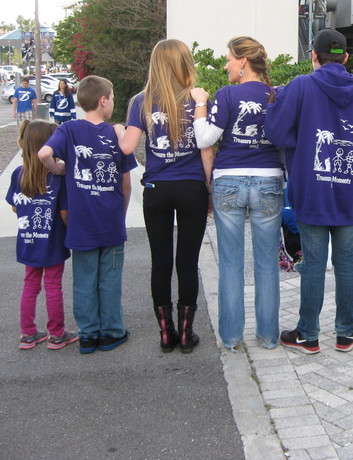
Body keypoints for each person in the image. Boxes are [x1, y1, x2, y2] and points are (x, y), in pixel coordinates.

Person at [265, 28, 353, 354]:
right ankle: (345, 332)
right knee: (347, 264)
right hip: (350, 190)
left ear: (313, 56)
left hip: (312, 189)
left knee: (313, 264)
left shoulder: (300, 86)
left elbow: (276, 131)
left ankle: (308, 334)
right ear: (344, 58)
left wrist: (276, 101)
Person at [115, 39, 214, 354]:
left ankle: (165, 333)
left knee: (160, 263)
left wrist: (118, 130)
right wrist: (209, 188)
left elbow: (128, 147)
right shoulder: (197, 99)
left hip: (156, 189)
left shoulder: (140, 102)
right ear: (184, 64)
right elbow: (206, 148)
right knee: (187, 262)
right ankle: (186, 333)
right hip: (191, 187)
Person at [191, 36, 284, 351]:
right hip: (269, 181)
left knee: (230, 264)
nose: (226, 64)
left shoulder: (227, 95)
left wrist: (201, 103)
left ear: (243, 62)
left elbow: (205, 139)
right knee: (267, 263)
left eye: (229, 58)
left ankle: (231, 338)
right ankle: (269, 336)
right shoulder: (276, 94)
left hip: (229, 181)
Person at [39, 75, 137, 354]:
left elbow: (44, 153)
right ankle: (111, 332)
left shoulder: (69, 129)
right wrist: (122, 213)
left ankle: (87, 334)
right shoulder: (116, 134)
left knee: (83, 280)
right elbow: (125, 183)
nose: (113, 102)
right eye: (113, 98)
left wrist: (59, 168)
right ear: (103, 101)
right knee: (110, 279)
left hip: (81, 222)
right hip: (110, 220)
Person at [8, 120, 76, 350]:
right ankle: (56, 334)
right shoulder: (58, 177)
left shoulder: (18, 174)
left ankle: (28, 334)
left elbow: (16, 207)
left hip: (28, 240)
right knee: (53, 285)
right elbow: (65, 213)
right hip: (53, 241)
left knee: (30, 285)